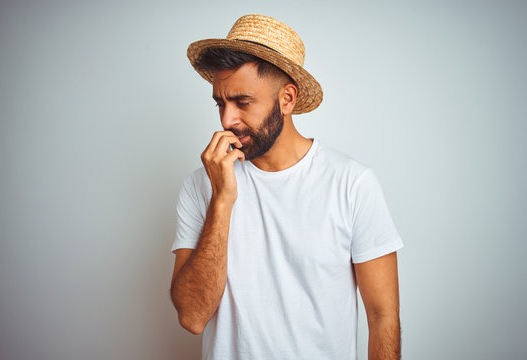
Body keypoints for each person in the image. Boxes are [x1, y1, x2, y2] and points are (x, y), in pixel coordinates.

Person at [170, 14, 404, 360]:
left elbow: (383, 317)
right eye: (221, 102)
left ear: (287, 99)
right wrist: (222, 200)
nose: (226, 120)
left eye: (242, 102)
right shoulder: (201, 185)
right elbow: (192, 317)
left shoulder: (351, 184)